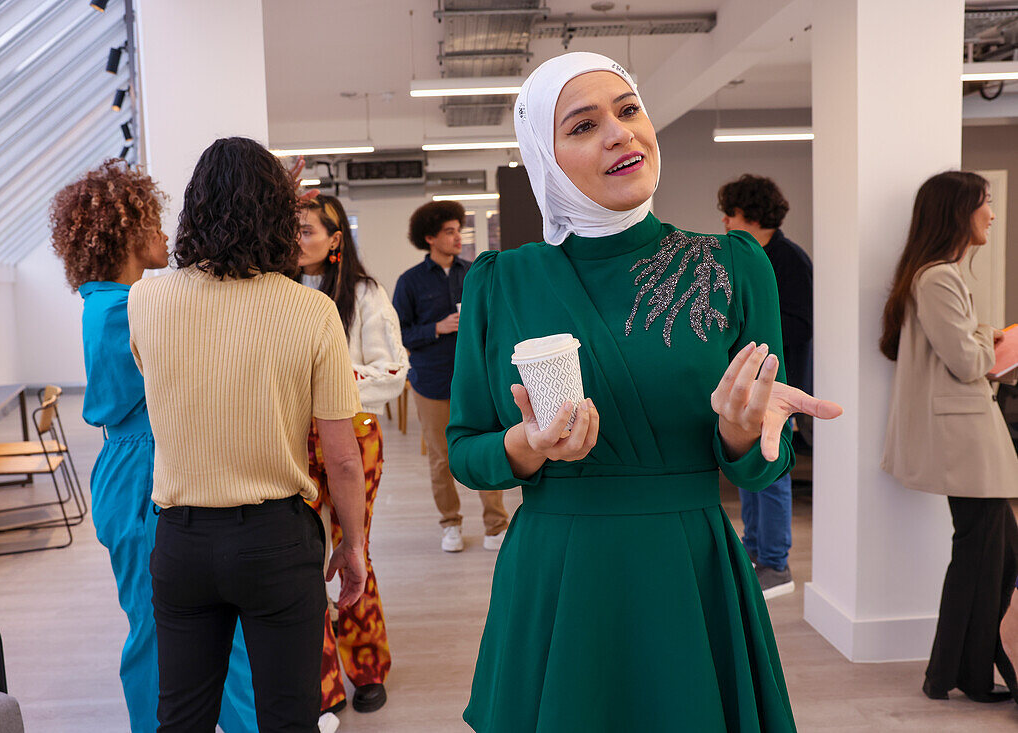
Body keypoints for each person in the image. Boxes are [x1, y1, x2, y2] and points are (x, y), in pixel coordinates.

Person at [446, 52, 841, 731]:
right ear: (546, 156)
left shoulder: (734, 266)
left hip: (688, 568)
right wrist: (526, 444)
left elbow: (762, 461)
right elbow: (466, 447)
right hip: (559, 567)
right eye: (583, 125)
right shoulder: (501, 282)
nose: (619, 133)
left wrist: (748, 435)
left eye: (629, 110)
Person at [127, 137, 368, 732]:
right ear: (279, 215)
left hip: (181, 540)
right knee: (288, 719)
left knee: (181, 718)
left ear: (193, 207)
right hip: (277, 540)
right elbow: (341, 459)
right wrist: (354, 545)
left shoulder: (146, 298)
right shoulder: (310, 310)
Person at [49, 159, 261, 733]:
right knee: (156, 629)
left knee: (213, 627)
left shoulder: (122, 302)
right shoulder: (122, 308)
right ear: (128, 231)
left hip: (150, 464)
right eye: (157, 223)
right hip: (142, 470)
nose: (167, 236)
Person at [880, 170, 1018, 704]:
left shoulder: (940, 276)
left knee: (995, 557)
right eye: (985, 203)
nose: (991, 213)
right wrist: (993, 337)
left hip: (968, 437)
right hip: (964, 440)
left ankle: (953, 670)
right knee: (983, 559)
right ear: (959, 212)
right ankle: (962, 673)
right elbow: (967, 361)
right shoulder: (938, 278)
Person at [297, 194, 407, 722]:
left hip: (353, 438)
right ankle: (320, 686)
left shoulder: (364, 293)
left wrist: (328, 387)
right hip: (290, 443)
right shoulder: (277, 292)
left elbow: (391, 374)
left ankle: (366, 669)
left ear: (336, 239)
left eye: (307, 231)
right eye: (290, 230)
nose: (297, 240)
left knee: (351, 551)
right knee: (301, 561)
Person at [717, 174, 813, 599]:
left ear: (751, 215)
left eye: (730, 214)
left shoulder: (788, 260)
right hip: (749, 390)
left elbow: (800, 323)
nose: (724, 222)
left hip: (778, 388)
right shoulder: (748, 257)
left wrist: (752, 338)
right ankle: (755, 550)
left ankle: (775, 563)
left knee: (771, 475)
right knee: (750, 475)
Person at [392, 201, 508, 552]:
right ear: (429, 237)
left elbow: (495, 323)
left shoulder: (475, 274)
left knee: (488, 448)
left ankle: (496, 525)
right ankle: (450, 525)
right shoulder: (409, 282)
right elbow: (400, 336)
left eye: (459, 229)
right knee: (441, 458)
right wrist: (436, 328)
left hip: (476, 381)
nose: (459, 236)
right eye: (450, 231)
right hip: (431, 382)